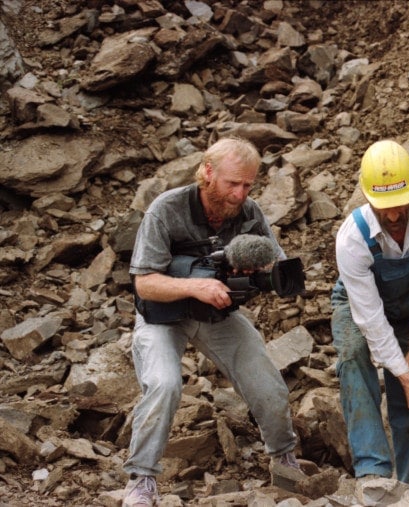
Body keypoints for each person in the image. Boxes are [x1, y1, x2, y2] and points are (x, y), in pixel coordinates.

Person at [122, 137, 305, 506]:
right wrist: (196, 285)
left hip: (218, 313)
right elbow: (144, 283)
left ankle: (283, 457)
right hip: (164, 316)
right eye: (232, 183)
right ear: (207, 172)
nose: (240, 194)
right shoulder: (167, 209)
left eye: (248, 185)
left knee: (267, 384)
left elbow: (277, 262)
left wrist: (260, 269)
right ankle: (141, 479)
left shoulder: (249, 212)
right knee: (163, 384)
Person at [331, 139, 409, 486]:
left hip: (408, 303)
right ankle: (373, 471)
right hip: (358, 304)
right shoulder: (352, 239)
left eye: (401, 203)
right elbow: (369, 318)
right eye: (384, 206)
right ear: (367, 196)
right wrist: (399, 371)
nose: (395, 215)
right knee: (355, 357)